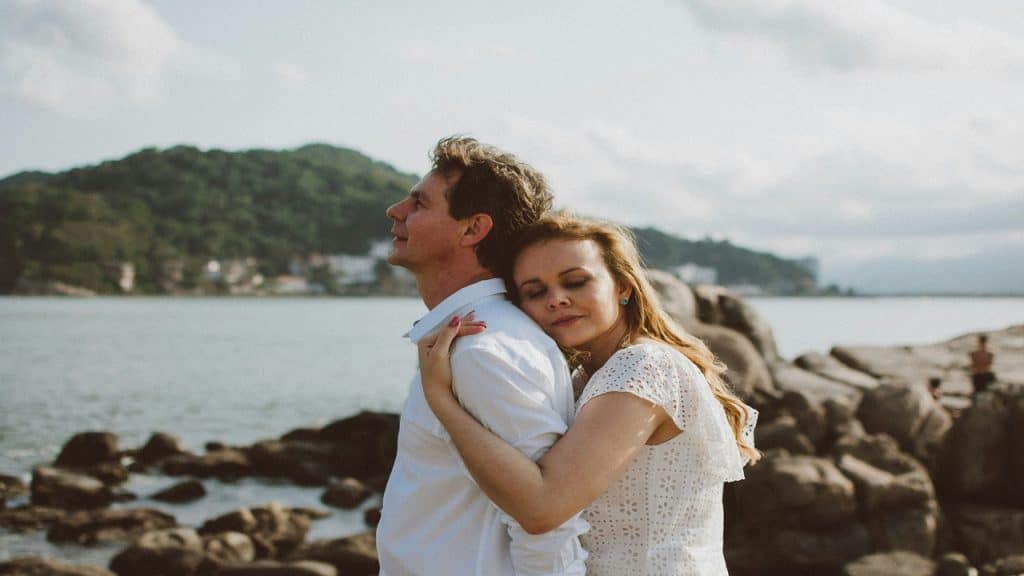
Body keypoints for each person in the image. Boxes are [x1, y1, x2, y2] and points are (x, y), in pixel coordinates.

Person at [419, 212, 760, 575]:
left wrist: (441, 400)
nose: (556, 300)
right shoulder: (586, 378)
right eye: (535, 292)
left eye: (576, 282)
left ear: (623, 288)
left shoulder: (645, 365)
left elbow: (542, 508)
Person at [376, 137, 588, 575]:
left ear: (473, 229)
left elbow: (547, 525)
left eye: (419, 203)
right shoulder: (473, 340)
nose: (395, 211)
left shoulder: (481, 350)